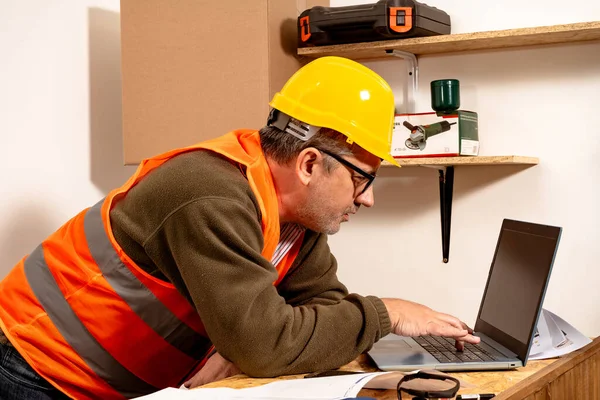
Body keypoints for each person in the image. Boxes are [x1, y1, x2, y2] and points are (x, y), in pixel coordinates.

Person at [0, 56, 479, 400]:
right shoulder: (210, 193)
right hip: (33, 370)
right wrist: (384, 313)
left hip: (119, 384)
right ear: (310, 163)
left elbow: (320, 309)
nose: (367, 197)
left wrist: (242, 350)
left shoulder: (297, 217)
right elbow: (269, 343)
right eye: (362, 178)